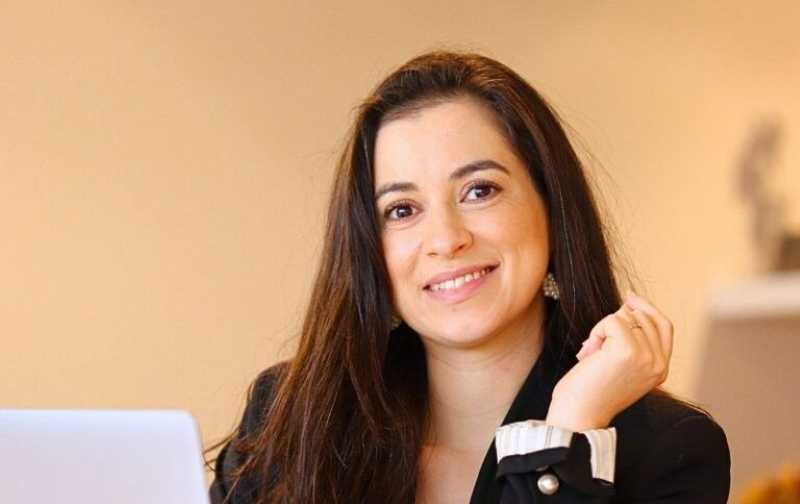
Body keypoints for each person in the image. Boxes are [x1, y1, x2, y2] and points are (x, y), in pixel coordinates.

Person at [207, 51, 731, 503]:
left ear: (552, 207)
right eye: (402, 209)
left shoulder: (668, 452)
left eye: (479, 191)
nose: (445, 238)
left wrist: (569, 435)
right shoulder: (290, 421)